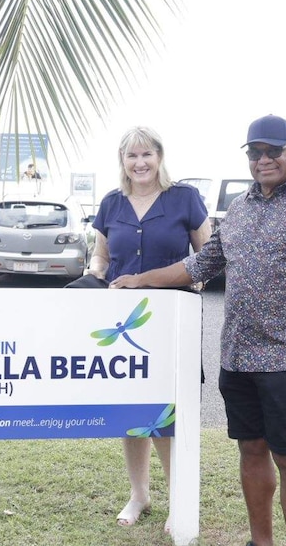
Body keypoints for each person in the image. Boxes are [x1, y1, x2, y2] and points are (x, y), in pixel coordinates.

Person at [109, 115, 286, 546]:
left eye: (273, 151)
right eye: (255, 153)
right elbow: (198, 265)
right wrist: (140, 278)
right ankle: (260, 541)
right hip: (238, 356)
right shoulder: (240, 209)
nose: (264, 160)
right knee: (251, 449)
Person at [84, 126, 211, 530]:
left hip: (171, 320)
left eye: (147, 155)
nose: (140, 163)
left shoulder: (185, 198)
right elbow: (101, 257)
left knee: (165, 414)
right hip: (123, 326)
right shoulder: (111, 203)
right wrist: (94, 276)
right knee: (131, 415)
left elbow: (207, 257)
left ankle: (179, 499)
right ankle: (139, 495)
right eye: (131, 156)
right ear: (122, 161)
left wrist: (191, 281)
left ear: (160, 157)